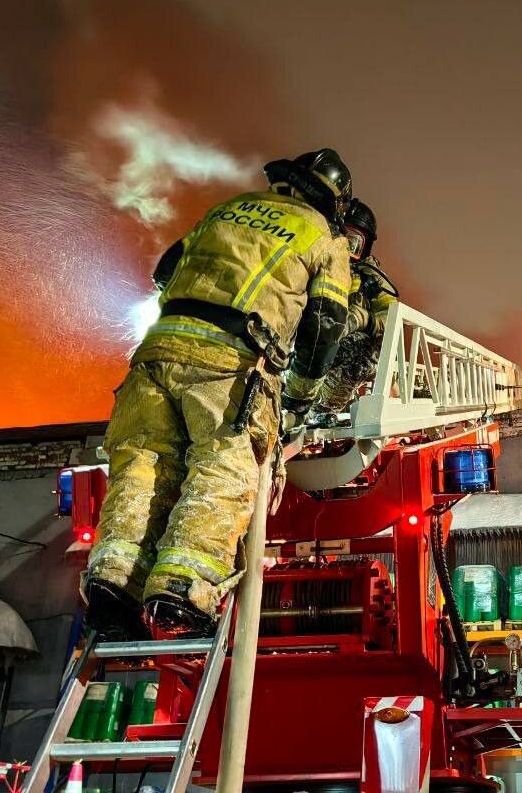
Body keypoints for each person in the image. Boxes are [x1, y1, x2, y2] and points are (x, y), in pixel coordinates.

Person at [84, 149, 353, 638]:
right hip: (230, 364)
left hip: (157, 353)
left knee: (143, 463)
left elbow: (166, 271)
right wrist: (299, 394)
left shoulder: (226, 210)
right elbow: (326, 322)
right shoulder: (324, 236)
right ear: (334, 201)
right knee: (223, 465)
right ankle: (182, 587)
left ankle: (114, 578)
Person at [313, 197, 399, 420]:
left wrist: (365, 320)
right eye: (340, 238)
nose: (345, 247)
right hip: (315, 338)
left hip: (349, 344)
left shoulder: (371, 279)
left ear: (365, 246)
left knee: (362, 347)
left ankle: (324, 408)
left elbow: (392, 321)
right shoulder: (316, 264)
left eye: (352, 242)